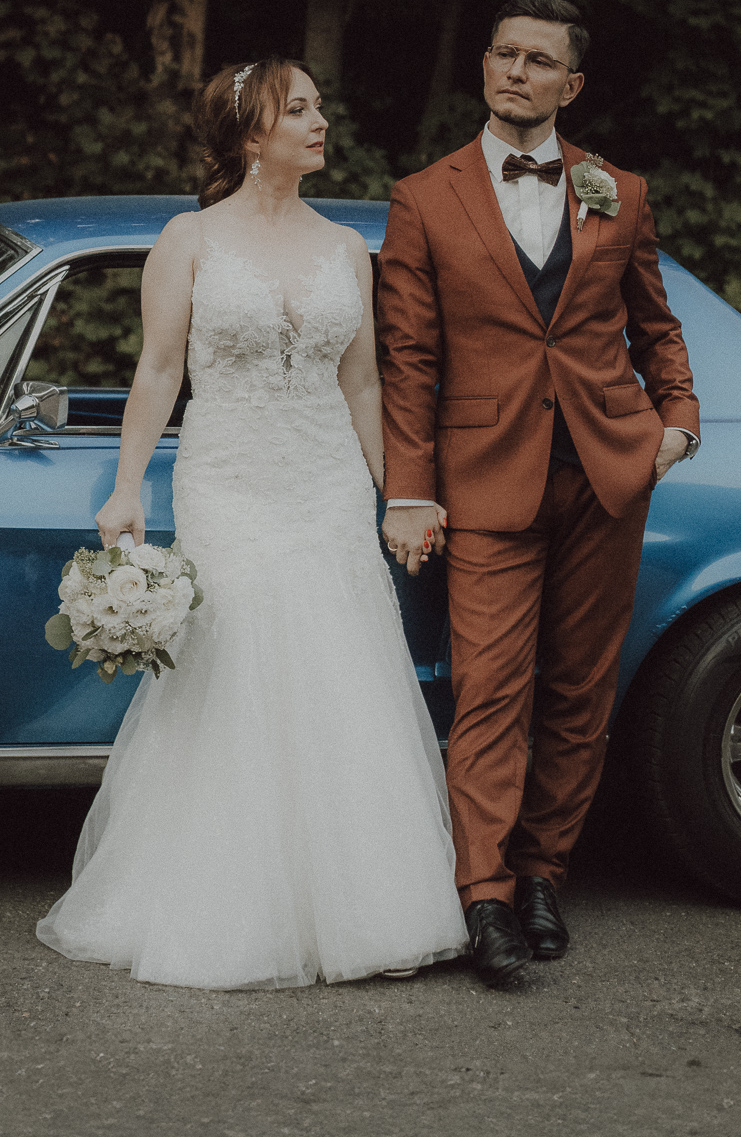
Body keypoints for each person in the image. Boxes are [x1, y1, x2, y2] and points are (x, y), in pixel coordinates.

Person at [37, 57, 468, 987]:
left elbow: (362, 382)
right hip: (227, 479)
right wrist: (126, 488)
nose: (321, 121)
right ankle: (225, 909)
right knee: (233, 674)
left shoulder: (344, 249)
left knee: (339, 672)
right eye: (299, 109)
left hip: (324, 483)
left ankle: (360, 907)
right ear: (249, 136)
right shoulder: (188, 239)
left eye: (319, 105)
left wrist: (395, 491)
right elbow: (160, 369)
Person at [378, 0, 699, 989]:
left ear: (572, 84)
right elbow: (407, 358)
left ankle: (543, 873)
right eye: (505, 54)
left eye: (539, 60)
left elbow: (655, 324)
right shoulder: (422, 197)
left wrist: (676, 424)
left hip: (607, 473)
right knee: (488, 690)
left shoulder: (618, 190)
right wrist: (411, 488)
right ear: (483, 65)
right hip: (485, 481)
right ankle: (483, 895)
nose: (517, 71)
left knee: (577, 691)